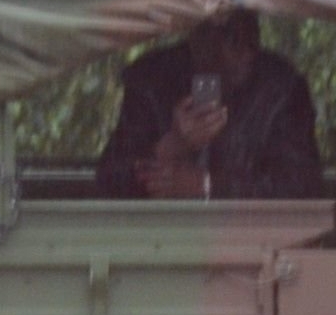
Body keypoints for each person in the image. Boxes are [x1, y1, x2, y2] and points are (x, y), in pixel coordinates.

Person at [96, 10, 323, 200]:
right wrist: (172, 146)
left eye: (251, 40)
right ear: (197, 34)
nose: (245, 54)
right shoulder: (152, 79)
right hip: (159, 238)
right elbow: (109, 182)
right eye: (231, 38)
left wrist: (206, 185)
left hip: (250, 241)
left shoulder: (281, 87)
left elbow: (302, 185)